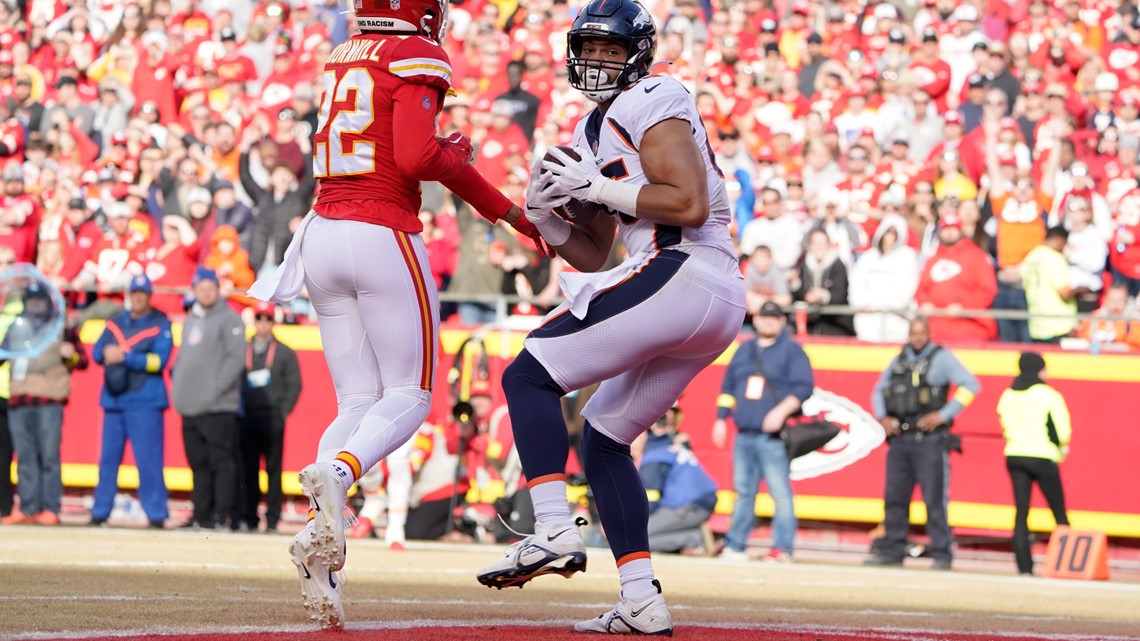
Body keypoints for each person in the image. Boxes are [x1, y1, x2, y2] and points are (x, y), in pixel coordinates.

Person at [245, 1, 547, 630]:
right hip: (379, 229)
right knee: (409, 395)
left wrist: (449, 156)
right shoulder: (414, 53)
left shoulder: (344, 54)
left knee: (355, 402)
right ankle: (338, 472)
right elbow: (414, 158)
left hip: (321, 231)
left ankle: (322, 554)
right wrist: (492, 197)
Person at [475, 0, 745, 634]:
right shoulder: (589, 131)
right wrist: (543, 219)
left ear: (638, 53)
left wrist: (596, 189)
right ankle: (641, 602)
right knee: (603, 439)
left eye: (610, 48)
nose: (596, 59)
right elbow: (593, 249)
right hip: (697, 292)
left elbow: (688, 202)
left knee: (527, 374)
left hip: (686, 268)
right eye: (588, 47)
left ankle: (551, 527)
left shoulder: (655, 94)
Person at [866, 318, 981, 570]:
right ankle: (892, 548)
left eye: (921, 333)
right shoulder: (900, 359)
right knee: (894, 497)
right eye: (913, 333)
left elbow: (971, 386)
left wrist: (945, 414)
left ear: (929, 334)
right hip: (900, 438)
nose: (917, 338)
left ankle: (942, 552)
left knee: (934, 499)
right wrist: (882, 416)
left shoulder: (942, 358)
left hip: (929, 440)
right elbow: (879, 390)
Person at [713, 301, 814, 563]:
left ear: (782, 321)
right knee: (743, 492)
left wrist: (781, 411)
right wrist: (721, 419)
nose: (769, 322)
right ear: (755, 320)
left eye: (774, 318)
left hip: (773, 437)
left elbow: (804, 387)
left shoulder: (792, 350)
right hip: (744, 433)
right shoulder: (744, 349)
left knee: (780, 493)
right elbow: (728, 386)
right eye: (764, 317)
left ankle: (782, 547)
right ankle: (736, 544)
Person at [89, 274, 173, 528]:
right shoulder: (115, 322)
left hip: (145, 401)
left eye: (142, 293)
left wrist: (126, 357)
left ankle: (156, 514)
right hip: (114, 401)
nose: (137, 297)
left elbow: (159, 361)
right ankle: (100, 512)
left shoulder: (161, 323)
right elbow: (96, 352)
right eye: (134, 293)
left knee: (149, 462)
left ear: (149, 296)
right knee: (107, 461)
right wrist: (106, 352)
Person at [1, 282, 88, 525]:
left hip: (50, 398)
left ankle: (50, 507)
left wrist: (71, 354)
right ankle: (28, 506)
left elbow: (82, 360)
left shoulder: (60, 326)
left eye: (39, 300)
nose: (35, 304)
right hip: (20, 397)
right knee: (25, 457)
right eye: (31, 300)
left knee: (49, 456)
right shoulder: (17, 327)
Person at [171, 267, 246, 531]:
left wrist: (216, 389)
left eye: (210, 288)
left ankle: (220, 515)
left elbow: (236, 358)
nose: (206, 292)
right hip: (190, 407)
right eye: (201, 287)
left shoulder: (230, 319)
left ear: (217, 289)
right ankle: (200, 514)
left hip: (217, 407)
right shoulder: (193, 318)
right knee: (198, 464)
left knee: (221, 462)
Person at [996, 352, 1072, 576]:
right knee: (1058, 512)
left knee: (1021, 512)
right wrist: (1059, 450)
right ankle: (1067, 562)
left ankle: (1024, 566)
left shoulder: (1008, 394)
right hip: (1042, 455)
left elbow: (1002, 420)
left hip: (1015, 454)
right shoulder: (1048, 395)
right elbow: (1062, 431)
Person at [238, 301, 302, 533]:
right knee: (248, 469)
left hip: (272, 416)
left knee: (274, 471)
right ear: (253, 321)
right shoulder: (242, 348)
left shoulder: (284, 352)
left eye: (267, 319)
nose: (263, 324)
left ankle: (273, 518)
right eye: (259, 319)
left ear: (273, 322)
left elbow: (294, 385)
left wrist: (283, 412)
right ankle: (249, 516)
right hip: (247, 417)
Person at [635, 403, 718, 555]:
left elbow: (650, 503)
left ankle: (694, 539)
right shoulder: (670, 444)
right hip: (699, 500)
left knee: (632, 538)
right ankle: (691, 535)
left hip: (690, 505)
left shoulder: (654, 456)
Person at [1021, 227, 1078, 342]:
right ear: (1058, 239)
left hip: (1036, 326)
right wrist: (1082, 290)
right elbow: (1064, 293)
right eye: (1064, 243)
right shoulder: (1055, 258)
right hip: (1059, 325)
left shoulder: (1031, 257)